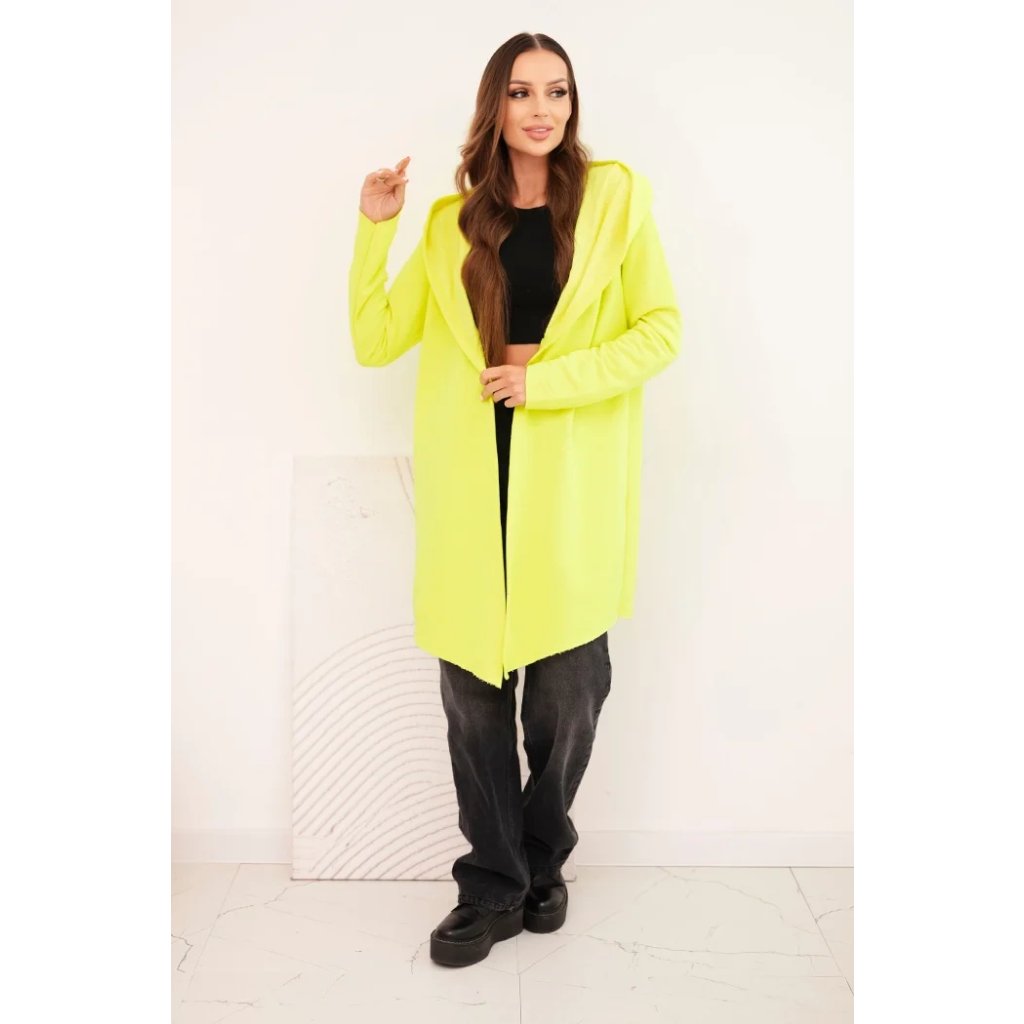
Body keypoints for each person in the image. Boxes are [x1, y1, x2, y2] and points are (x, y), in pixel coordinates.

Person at [349, 33, 682, 968]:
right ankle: (492, 884)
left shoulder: (614, 199)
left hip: (568, 484)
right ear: (494, 106)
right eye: (523, 93)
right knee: (473, 705)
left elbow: (661, 330)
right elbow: (377, 341)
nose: (542, 110)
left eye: (558, 92)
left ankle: (541, 855)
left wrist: (549, 381)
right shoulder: (451, 222)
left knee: (570, 694)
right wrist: (376, 226)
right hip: (471, 486)